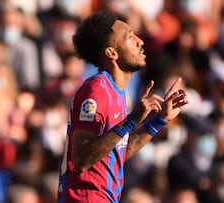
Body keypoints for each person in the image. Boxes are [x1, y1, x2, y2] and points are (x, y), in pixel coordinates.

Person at [57, 11, 188, 202]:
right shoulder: (96, 91)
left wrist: (158, 121)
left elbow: (115, 153)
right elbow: (81, 159)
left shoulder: (116, 93)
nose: (140, 41)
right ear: (111, 53)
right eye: (129, 37)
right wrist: (131, 121)